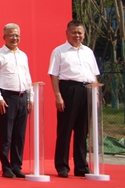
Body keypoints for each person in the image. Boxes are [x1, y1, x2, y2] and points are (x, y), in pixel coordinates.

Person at [48, 20, 100, 178]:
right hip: (69, 89)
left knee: (83, 131)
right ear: (67, 33)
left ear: (84, 34)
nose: (77, 35)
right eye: (74, 32)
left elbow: (94, 75)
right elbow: (53, 75)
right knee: (65, 130)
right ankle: (62, 166)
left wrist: (96, 95)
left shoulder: (88, 52)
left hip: (87, 90)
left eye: (80, 33)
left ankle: (81, 166)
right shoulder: (59, 51)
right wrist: (58, 95)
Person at [0, 23, 33, 179]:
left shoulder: (23, 55)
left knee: (19, 135)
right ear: (4, 37)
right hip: (7, 98)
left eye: (17, 35)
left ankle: (17, 166)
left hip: (23, 97)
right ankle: (6, 166)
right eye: (12, 35)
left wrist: (31, 97)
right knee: (6, 135)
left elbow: (27, 77)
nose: (15, 38)